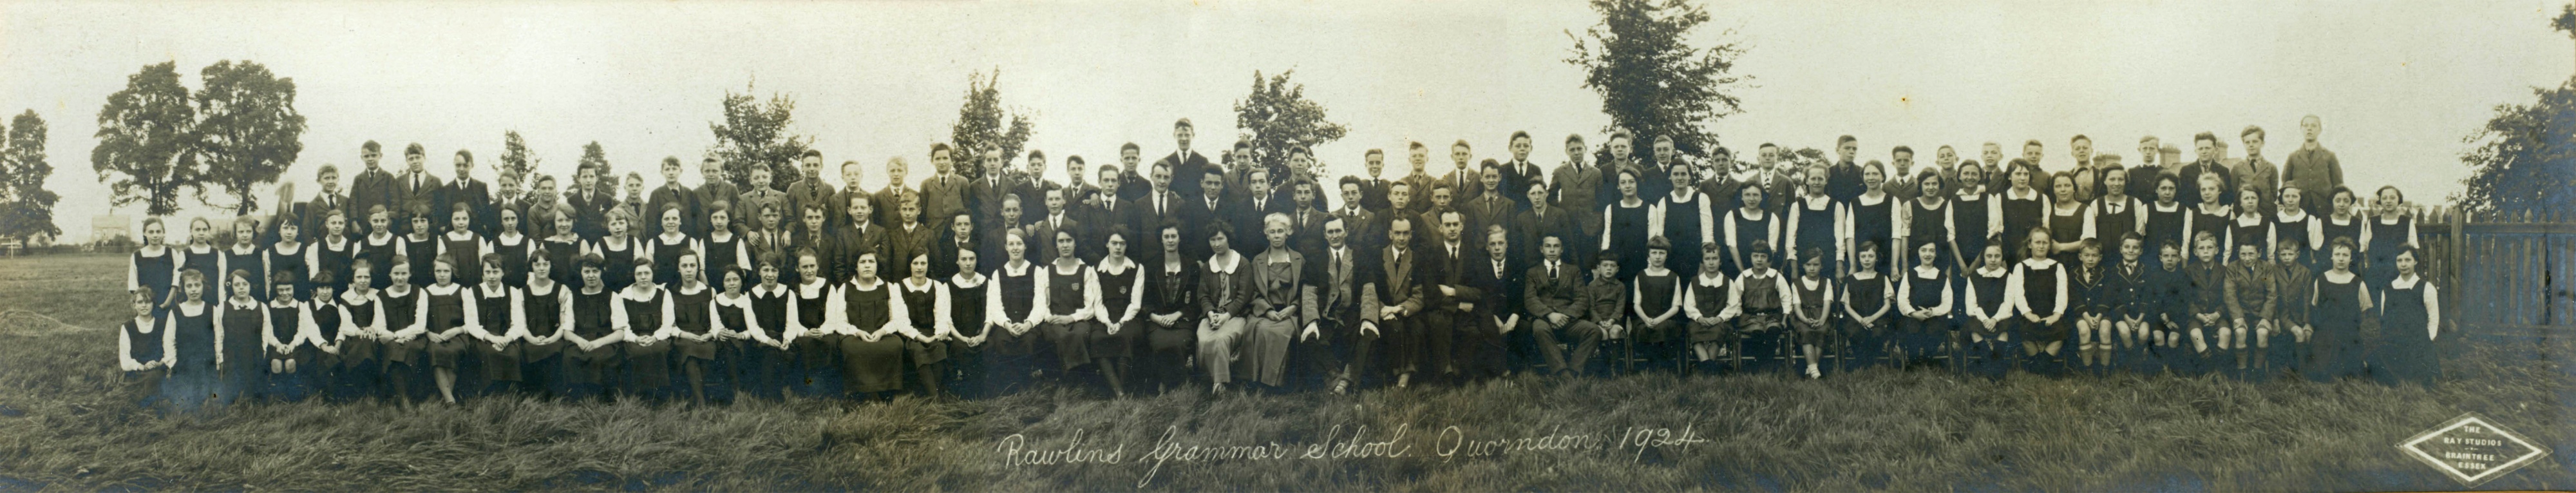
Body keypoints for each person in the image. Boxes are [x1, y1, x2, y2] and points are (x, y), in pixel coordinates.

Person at [1241, 214, 1311, 391]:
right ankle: (1259, 381)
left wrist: (1293, 308)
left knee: (1281, 333)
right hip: (1266, 312)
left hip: (1290, 313)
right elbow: (1254, 293)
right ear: (1266, 234)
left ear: (1288, 233)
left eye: (1281, 231)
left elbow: (1306, 290)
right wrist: (1267, 311)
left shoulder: (1298, 260)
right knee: (1261, 329)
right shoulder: (1258, 261)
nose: (1277, 235)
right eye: (1272, 232)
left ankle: (1277, 383)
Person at [826, 251, 907, 401]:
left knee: (896, 345)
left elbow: (898, 318)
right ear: (856, 267)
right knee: (852, 348)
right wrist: (857, 332)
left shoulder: (889, 287)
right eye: (862, 262)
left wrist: (883, 331)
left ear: (878, 265)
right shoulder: (845, 288)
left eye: (872, 261)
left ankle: (887, 391)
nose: (867, 265)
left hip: (882, 334)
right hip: (855, 336)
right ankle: (862, 392)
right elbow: (839, 321)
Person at [1195, 222, 1256, 392]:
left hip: (1236, 316)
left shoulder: (1243, 264)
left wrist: (1225, 316)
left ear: (1228, 239)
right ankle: (1210, 377)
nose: (1216, 244)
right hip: (1213, 315)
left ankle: (1219, 383)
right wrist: (1211, 314)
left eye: (1220, 239)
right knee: (1205, 339)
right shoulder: (1208, 266)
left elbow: (1244, 297)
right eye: (1212, 240)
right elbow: (1203, 295)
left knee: (1221, 339)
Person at [984, 230, 1046, 394]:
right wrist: (1006, 324)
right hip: (1007, 325)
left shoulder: (1037, 271)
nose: (1015, 248)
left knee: (1027, 341)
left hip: (1029, 325)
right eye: (1011, 244)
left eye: (1019, 244)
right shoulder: (998, 274)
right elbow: (995, 306)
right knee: (1002, 340)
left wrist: (1028, 324)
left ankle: (1024, 387)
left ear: (1025, 246)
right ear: (1006, 247)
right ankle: (1009, 388)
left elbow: (1040, 304)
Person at [2374, 246, 2441, 387]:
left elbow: (2433, 319)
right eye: (2399, 260)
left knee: (2422, 379)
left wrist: (2427, 341)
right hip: (2394, 341)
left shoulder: (2426, 288)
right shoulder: (2388, 289)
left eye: (2407, 260)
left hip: (2417, 342)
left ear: (2415, 262)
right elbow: (2384, 318)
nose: (2403, 264)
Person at [612, 258, 677, 400]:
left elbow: (668, 323)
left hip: (659, 337)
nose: (643, 277)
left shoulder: (663, 293)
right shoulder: (624, 295)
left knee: (658, 350)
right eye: (639, 274)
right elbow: (622, 325)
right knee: (638, 351)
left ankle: (661, 396)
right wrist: (636, 338)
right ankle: (640, 396)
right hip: (634, 338)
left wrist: (655, 337)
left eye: (647, 273)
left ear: (653, 274)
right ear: (634, 276)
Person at [2309, 238, 2372, 382]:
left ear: (2351, 258)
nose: (2341, 259)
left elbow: (2364, 310)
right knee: (2321, 373)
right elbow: (2316, 305)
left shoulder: (2358, 283)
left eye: (2345, 255)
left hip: (2348, 335)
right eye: (2337, 255)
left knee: (2349, 373)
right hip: (2325, 334)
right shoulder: (2321, 280)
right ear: (2331, 256)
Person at [893, 253, 954, 398]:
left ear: (928, 265)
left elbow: (942, 313)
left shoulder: (937, 286)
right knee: (919, 350)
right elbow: (901, 320)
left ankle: (932, 395)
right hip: (910, 334)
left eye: (923, 263)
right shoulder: (899, 287)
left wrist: (939, 333)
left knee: (939, 347)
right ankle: (935, 399)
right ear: (910, 265)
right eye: (915, 263)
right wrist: (921, 337)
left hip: (932, 331)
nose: (919, 267)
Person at [1460, 226, 1517, 382]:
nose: (1497, 248)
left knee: (1523, 329)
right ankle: (1497, 370)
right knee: (1486, 324)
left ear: (1507, 245)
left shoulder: (1516, 264)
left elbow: (1520, 295)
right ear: (1486, 247)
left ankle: (1518, 368)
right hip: (1487, 312)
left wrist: (1514, 317)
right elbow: (1479, 296)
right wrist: (1494, 317)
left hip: (1510, 314)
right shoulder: (1479, 266)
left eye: (1500, 243)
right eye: (1493, 244)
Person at [561, 254, 620, 401]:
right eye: (587, 272)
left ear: (602, 272)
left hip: (604, 341)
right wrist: (580, 341)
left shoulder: (612, 296)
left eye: (595, 271)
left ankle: (601, 400)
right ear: (581, 273)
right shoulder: (573, 297)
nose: (591, 276)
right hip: (580, 340)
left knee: (599, 356)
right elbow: (567, 331)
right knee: (571, 356)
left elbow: (620, 332)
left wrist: (597, 343)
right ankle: (577, 400)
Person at [419, 255, 475, 403]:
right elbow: (420, 319)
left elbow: (472, 320)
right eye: (439, 271)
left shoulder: (462, 291)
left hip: (457, 336)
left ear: (453, 272)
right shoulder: (426, 292)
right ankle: (450, 400)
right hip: (435, 336)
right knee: (435, 351)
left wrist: (457, 331)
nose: (442, 275)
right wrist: (428, 333)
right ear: (434, 272)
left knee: (453, 351)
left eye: (446, 271)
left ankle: (444, 398)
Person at [516, 251, 573, 398]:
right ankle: (534, 395)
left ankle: (555, 395)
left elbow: (565, 321)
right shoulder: (522, 292)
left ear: (550, 267)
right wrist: (532, 339)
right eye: (537, 264)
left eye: (545, 264)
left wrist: (553, 338)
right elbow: (520, 323)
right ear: (531, 267)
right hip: (531, 338)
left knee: (556, 350)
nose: (541, 268)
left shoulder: (562, 290)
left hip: (555, 338)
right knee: (528, 350)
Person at [164, 269, 222, 413]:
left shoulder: (212, 310)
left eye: (197, 285)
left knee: (213, 402)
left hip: (207, 364)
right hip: (184, 365)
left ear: (203, 286)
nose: (194, 290)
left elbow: (219, 338)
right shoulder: (176, 312)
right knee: (183, 404)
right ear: (183, 289)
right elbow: (168, 340)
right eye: (189, 286)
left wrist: (218, 360)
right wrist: (173, 363)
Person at [667, 250, 719, 405]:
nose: (689, 269)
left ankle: (696, 397)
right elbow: (669, 324)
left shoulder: (709, 291)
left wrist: (710, 335)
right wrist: (685, 335)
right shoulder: (671, 293)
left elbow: (717, 320)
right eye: (684, 266)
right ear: (678, 268)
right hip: (683, 337)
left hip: (705, 336)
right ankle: (701, 401)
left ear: (698, 268)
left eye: (692, 265)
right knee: (689, 352)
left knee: (707, 349)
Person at [1627, 237, 1685, 374]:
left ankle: (1660, 366)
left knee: (1663, 329)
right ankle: (1653, 364)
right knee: (1644, 330)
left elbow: (1676, 306)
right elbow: (1637, 304)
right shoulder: (1641, 276)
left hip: (1666, 319)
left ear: (1667, 255)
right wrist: (1646, 319)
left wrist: (1659, 320)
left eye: (1662, 253)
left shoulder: (1673, 277)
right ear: (1648, 255)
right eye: (1654, 253)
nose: (1658, 257)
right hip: (1644, 319)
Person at [1681, 243, 1741, 373]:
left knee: (1718, 333)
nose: (1711, 263)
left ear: (1720, 262)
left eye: (1715, 259)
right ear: (1703, 262)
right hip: (1699, 321)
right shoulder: (1695, 281)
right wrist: (1699, 318)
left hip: (1719, 322)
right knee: (1694, 332)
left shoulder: (1727, 281)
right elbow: (1689, 305)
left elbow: (1733, 305)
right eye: (1707, 259)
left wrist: (1720, 318)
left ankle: (1705, 369)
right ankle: (1710, 369)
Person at [1893, 242, 1954, 370]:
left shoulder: (1942, 277)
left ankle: (1928, 359)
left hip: (1935, 317)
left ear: (1936, 254)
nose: (1928, 254)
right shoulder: (1910, 275)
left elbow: (1947, 303)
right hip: (1913, 317)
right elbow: (1902, 300)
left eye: (1932, 251)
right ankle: (1913, 361)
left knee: (1935, 329)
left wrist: (1932, 312)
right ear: (1918, 252)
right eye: (1924, 250)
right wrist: (1914, 313)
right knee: (1911, 328)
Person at [1732, 243, 1790, 374]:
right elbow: (1736, 300)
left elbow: (1786, 298)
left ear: (1768, 259)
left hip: (1772, 317)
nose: (1759, 260)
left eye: (1763, 256)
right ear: (1751, 258)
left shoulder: (1776, 276)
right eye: (1756, 256)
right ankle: (1763, 367)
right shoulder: (1743, 277)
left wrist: (1785, 318)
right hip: (1751, 318)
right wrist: (1740, 316)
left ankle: (1764, 366)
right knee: (1757, 334)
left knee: (1773, 332)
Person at [2222, 241, 2276, 381]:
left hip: (2260, 313)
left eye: (2251, 254)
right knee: (2240, 332)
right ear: (2239, 254)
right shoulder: (2233, 268)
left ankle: (2258, 371)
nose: (2247, 258)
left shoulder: (2266, 269)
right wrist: (2238, 316)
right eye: (2243, 254)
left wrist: (2265, 317)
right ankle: (2242, 371)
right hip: (2241, 313)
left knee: (2263, 334)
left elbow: (2272, 294)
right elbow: (2230, 295)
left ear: (2259, 254)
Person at [1960, 244, 2015, 380]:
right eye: (1989, 256)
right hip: (1979, 317)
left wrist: (1995, 319)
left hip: (2001, 316)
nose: (1993, 260)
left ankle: (1998, 365)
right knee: (1973, 328)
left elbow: (2008, 303)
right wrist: (1985, 319)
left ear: (2002, 257)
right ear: (1983, 257)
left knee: (2005, 329)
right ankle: (1988, 364)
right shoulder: (1974, 277)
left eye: (1997, 256)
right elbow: (1971, 305)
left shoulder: (2008, 276)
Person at [1786, 166, 1850, 279]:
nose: (1817, 182)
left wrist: (1839, 268)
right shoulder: (1797, 206)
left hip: (1828, 265)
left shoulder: (1837, 206)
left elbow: (1840, 241)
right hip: (1803, 264)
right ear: (1807, 181)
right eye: (1813, 178)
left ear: (1826, 181)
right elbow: (1791, 240)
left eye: (1820, 179)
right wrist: (1794, 269)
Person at [943, 247, 992, 398]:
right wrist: (961, 338)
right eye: (964, 259)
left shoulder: (986, 282)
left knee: (990, 346)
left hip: (981, 333)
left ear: (977, 260)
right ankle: (965, 392)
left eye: (972, 259)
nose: (968, 263)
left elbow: (991, 313)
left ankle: (984, 391)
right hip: (959, 336)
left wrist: (983, 335)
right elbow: (947, 319)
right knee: (959, 349)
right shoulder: (949, 285)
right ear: (957, 261)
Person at [1567, 255, 1627, 376]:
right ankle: (1605, 366)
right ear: (1599, 268)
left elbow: (1620, 307)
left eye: (1612, 266)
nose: (1609, 269)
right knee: (1603, 333)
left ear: (1617, 269)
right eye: (1605, 266)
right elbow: (1591, 308)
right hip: (1597, 321)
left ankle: (1613, 367)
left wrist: (1612, 321)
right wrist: (1600, 322)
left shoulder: (1620, 287)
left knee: (1615, 332)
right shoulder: (1592, 286)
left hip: (1614, 321)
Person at [1653, 164, 1718, 277]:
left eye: (1684, 174)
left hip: (1694, 258)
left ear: (1690, 177)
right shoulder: (1664, 201)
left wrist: (1703, 263)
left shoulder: (1701, 198)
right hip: (1671, 259)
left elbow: (1707, 233)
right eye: (1676, 174)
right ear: (1670, 177)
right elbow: (1660, 235)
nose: (1680, 178)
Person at [1841, 242, 1895, 371]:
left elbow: (1887, 305)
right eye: (1863, 256)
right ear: (1858, 258)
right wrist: (1861, 320)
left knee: (1877, 333)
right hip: (1856, 320)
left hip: (1877, 319)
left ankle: (1869, 363)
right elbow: (1847, 305)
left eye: (1870, 256)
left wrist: (1871, 318)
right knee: (1855, 333)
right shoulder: (1852, 279)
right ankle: (1862, 364)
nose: (1867, 260)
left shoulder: (1883, 278)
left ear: (1877, 258)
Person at [2181, 232, 2228, 376]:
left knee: (2226, 333)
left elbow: (2228, 297)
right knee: (2196, 334)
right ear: (2195, 252)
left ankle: (2218, 368)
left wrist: (2217, 314)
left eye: (2210, 247)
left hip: (2217, 314)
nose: (2206, 251)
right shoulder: (2188, 272)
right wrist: (2199, 316)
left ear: (2217, 250)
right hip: (2196, 316)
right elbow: (2186, 298)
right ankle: (2209, 370)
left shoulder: (2224, 271)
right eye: (2201, 248)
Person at [2106, 235, 2154, 374]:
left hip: (2141, 315)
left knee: (2144, 333)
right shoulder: (2114, 270)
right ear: (2121, 249)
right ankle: (2133, 361)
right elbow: (2113, 297)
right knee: (2124, 331)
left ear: (2141, 251)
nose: (2131, 251)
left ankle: (2135, 357)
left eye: (2135, 248)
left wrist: (2140, 318)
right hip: (2121, 315)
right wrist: (2126, 317)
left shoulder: (2147, 270)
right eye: (2127, 247)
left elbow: (2148, 295)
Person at [2269, 238, 2316, 381]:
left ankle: (2302, 369)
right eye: (2283, 255)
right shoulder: (2272, 271)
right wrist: (2276, 319)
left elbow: (2308, 299)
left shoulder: (2305, 272)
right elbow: (2271, 296)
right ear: (2278, 255)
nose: (2287, 258)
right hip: (2281, 313)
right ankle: (2300, 374)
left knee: (2307, 333)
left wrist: (2307, 321)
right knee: (2298, 333)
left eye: (2290, 254)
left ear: (2298, 254)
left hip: (2299, 314)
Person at [1786, 253, 1833, 379]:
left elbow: (1827, 303)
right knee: (1806, 331)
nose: (1812, 268)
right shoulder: (1797, 283)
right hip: (1803, 316)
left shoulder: (1826, 282)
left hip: (1821, 315)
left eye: (1816, 265)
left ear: (1821, 266)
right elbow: (1797, 307)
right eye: (1808, 265)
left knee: (1822, 330)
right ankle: (1814, 370)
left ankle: (1811, 370)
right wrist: (1806, 320)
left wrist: (1823, 320)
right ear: (1803, 266)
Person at [2282, 115, 2344, 214]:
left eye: (2314, 126)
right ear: (2301, 129)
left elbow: (2338, 185)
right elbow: (2286, 183)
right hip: (2300, 208)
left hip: (2324, 208)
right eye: (2306, 126)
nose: (2309, 129)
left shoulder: (2330, 156)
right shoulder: (2293, 157)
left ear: (2320, 130)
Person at [2068, 240, 2112, 376]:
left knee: (2105, 330)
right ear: (2080, 256)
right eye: (2087, 255)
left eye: (2094, 256)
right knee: (2083, 330)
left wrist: (2099, 316)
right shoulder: (2073, 274)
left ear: (2100, 257)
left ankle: (2105, 368)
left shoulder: (2107, 273)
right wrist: (2086, 316)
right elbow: (2074, 298)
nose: (2091, 259)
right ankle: (2088, 368)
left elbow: (2108, 296)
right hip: (2082, 314)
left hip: (2102, 313)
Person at [2361, 186, 2419, 285]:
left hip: (2399, 274)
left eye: (2392, 198)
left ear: (2399, 200)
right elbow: (2366, 248)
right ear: (2380, 201)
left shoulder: (2407, 222)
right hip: (2376, 275)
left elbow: (2413, 248)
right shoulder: (2373, 222)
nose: (2388, 201)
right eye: (2384, 198)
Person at [1848, 164, 1899, 275]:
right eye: (1867, 174)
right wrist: (1853, 266)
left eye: (1875, 174)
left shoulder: (1892, 201)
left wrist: (1894, 266)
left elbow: (1896, 236)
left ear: (1883, 177)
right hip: (1863, 262)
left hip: (1886, 262)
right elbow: (1850, 237)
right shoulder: (1855, 203)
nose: (1871, 178)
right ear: (1863, 178)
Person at [1555, 135, 1606, 242]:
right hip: (1568, 226)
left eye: (1579, 149)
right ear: (1567, 151)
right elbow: (1551, 195)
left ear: (1585, 149)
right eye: (1572, 150)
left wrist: (1597, 219)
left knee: (1590, 258)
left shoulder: (1596, 173)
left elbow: (1601, 199)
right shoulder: (1560, 172)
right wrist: (1560, 214)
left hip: (1590, 227)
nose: (1576, 153)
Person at [1951, 163, 1999, 273]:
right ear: (1959, 176)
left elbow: (1993, 232)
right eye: (1966, 173)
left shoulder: (1988, 199)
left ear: (1980, 177)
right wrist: (1962, 266)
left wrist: (1976, 264)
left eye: (1974, 174)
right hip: (1959, 260)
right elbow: (1950, 235)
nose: (1970, 177)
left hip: (1984, 258)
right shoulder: (1954, 201)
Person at [1996, 160, 2047, 264]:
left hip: (2035, 256)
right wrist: (2002, 258)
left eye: (2026, 174)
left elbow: (2046, 229)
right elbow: (1998, 231)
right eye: (2018, 174)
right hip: (2009, 254)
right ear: (2009, 176)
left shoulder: (2042, 199)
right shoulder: (2001, 198)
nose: (2023, 178)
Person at [1724, 186, 1781, 278]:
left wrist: (1760, 275)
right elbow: (1732, 246)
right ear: (1742, 197)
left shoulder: (1771, 217)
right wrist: (1744, 274)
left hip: (1763, 270)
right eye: (1747, 195)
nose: (1751, 199)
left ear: (1761, 197)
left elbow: (1771, 249)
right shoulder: (1733, 215)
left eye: (1756, 195)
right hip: (1737, 269)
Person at [2142, 175, 2193, 271]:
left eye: (2171, 188)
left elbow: (2186, 242)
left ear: (2176, 190)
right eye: (2163, 188)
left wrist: (2184, 268)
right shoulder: (2146, 209)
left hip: (2175, 263)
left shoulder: (2185, 211)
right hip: (2151, 262)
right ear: (2156, 190)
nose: (2167, 192)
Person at [2228, 126, 2281, 216]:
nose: (2251, 145)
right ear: (2244, 144)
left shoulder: (2271, 168)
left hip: (2266, 212)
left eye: (2255, 141)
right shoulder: (2237, 167)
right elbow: (2233, 192)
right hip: (2243, 213)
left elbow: (2274, 193)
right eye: (2247, 142)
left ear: (2262, 143)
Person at [132, 218, 177, 312]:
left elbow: (176, 282)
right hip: (146, 306)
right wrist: (144, 305)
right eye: (151, 232)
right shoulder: (137, 256)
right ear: (145, 233)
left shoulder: (172, 253)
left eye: (158, 232)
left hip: (169, 304)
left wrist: (167, 303)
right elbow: (133, 285)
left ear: (163, 233)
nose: (155, 235)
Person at [178, 217, 223, 305]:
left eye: (205, 230)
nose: (201, 233)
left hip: (212, 300)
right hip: (191, 302)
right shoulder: (185, 254)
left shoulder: (218, 254)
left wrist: (222, 303)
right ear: (191, 231)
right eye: (198, 230)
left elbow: (221, 281)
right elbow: (180, 282)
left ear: (209, 231)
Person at [2224, 184, 2271, 265]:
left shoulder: (2267, 224)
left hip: (2262, 270)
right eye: (2246, 198)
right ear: (2240, 202)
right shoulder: (2233, 225)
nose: (2250, 201)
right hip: (2238, 271)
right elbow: (2228, 252)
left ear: (2258, 201)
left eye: (2253, 198)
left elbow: (2271, 254)